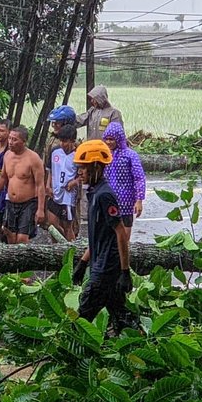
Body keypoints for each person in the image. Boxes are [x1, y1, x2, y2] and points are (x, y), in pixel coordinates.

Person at [71, 139, 137, 334]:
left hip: (106, 267)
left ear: (95, 167)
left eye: (83, 168)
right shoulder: (94, 193)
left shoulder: (105, 195)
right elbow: (99, 236)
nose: (79, 173)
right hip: (100, 263)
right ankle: (138, 340)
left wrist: (125, 271)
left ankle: (72, 349)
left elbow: (121, 233)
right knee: (119, 313)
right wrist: (82, 264)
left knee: (83, 316)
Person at [0, 125, 46, 243]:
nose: (10, 142)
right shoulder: (8, 155)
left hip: (28, 203)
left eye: (14, 139)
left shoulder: (34, 159)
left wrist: (41, 209)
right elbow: (3, 178)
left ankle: (25, 260)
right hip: (11, 202)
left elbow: (40, 185)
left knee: (22, 238)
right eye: (10, 138)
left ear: (24, 142)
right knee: (10, 235)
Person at [102, 121, 146, 240]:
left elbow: (139, 178)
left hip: (125, 203)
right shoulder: (103, 155)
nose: (108, 142)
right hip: (107, 201)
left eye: (112, 139)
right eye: (106, 139)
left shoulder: (130, 155)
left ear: (119, 139)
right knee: (107, 236)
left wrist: (139, 200)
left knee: (124, 239)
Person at [46, 124, 79, 242]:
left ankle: (71, 250)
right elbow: (50, 170)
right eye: (61, 141)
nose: (62, 144)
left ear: (72, 141)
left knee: (67, 227)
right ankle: (58, 248)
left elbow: (83, 176)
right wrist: (48, 185)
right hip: (55, 193)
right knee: (52, 224)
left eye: (65, 141)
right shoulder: (55, 151)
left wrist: (74, 182)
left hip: (68, 196)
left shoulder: (78, 155)